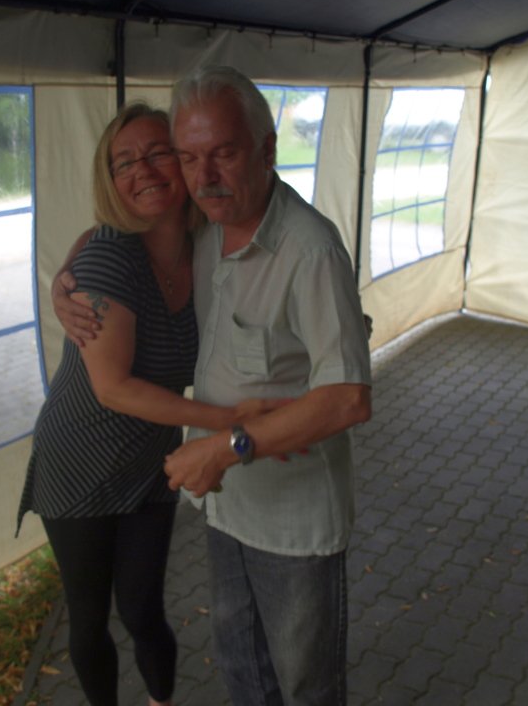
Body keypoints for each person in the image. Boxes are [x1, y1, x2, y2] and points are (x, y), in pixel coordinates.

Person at [56, 66, 372, 706]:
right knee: (242, 669)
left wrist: (229, 442)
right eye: (189, 156)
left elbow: (348, 397)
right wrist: (63, 280)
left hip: (288, 517)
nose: (204, 176)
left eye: (223, 153)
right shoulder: (204, 228)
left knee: (305, 686)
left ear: (266, 149)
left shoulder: (309, 250)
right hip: (226, 505)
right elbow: (108, 232)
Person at [18, 102, 271, 706]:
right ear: (110, 180)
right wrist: (229, 422)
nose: (144, 171)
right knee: (88, 616)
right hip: (76, 461)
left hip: (149, 461)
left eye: (159, 153)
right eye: (124, 162)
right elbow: (113, 388)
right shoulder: (110, 256)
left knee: (144, 610)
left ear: (185, 162)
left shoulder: (206, 247)